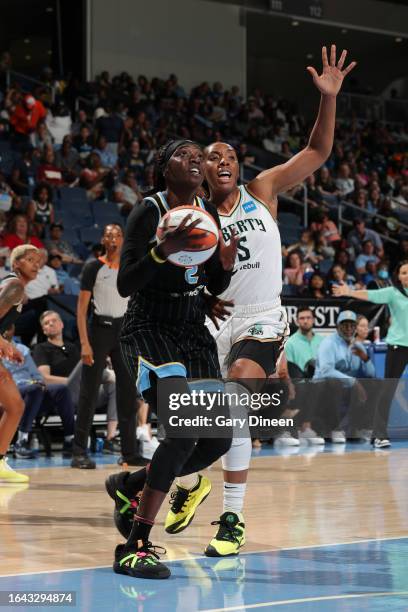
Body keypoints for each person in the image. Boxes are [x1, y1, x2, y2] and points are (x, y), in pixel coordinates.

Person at [165, 45, 356, 557]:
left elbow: (317, 152)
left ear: (238, 165)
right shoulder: (195, 216)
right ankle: (188, 483)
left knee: (235, 404)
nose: (222, 160)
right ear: (201, 169)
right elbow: (180, 275)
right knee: (196, 420)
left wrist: (328, 100)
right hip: (212, 322)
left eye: (229, 155)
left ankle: (232, 516)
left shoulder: (263, 188)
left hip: (262, 318)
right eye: (212, 156)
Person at [105, 139, 237, 579]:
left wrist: (226, 265)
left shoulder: (207, 210)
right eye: (185, 155)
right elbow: (126, 283)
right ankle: (134, 546)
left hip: (192, 334)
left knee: (216, 440)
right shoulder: (148, 209)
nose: (197, 160)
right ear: (164, 168)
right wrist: (164, 248)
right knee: (183, 434)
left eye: (200, 155)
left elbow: (210, 281)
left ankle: (129, 486)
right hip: (151, 331)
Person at [72, 223, 143, 468]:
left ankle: (129, 452)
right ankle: (79, 452)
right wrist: (84, 343)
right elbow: (81, 311)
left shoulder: (129, 268)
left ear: (123, 239)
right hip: (99, 331)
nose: (113, 239)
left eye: (117, 235)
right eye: (109, 235)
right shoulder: (93, 267)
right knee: (89, 392)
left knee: (127, 393)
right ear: (103, 239)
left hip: (123, 331)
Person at [333, 260, 408, 448]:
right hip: (398, 346)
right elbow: (371, 295)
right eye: (404, 272)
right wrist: (348, 291)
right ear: (398, 277)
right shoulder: (393, 293)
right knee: (388, 391)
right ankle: (379, 435)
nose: (407, 275)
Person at [33, 310, 119, 453]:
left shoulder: (73, 347)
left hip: (84, 392)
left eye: (54, 320)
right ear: (44, 330)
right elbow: (45, 378)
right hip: (63, 395)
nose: (51, 324)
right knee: (85, 362)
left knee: (113, 386)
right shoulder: (41, 348)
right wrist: (72, 380)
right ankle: (109, 373)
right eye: (46, 323)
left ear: (61, 325)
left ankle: (110, 439)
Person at [2, 324, 75, 459]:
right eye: (4, 327)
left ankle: (70, 439)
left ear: (13, 330)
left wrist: (38, 382)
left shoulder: (22, 349)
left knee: (60, 389)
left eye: (10, 327)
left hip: (31, 390)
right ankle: (21, 441)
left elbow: (36, 375)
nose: (7, 330)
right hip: (9, 392)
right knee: (34, 388)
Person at [0, 244, 40, 483]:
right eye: (29, 259)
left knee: (15, 405)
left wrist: (6, 343)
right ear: (16, 264)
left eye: (38, 260)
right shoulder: (14, 286)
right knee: (14, 405)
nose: (36, 263)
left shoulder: (15, 287)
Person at [313, 310, 375, 442]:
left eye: (352, 325)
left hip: (347, 387)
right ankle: (335, 429)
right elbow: (326, 371)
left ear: (355, 328)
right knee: (336, 383)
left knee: (374, 384)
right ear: (337, 327)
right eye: (344, 325)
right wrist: (353, 382)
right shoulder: (328, 343)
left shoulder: (357, 346)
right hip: (321, 387)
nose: (348, 329)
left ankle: (360, 428)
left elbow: (371, 374)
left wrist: (365, 358)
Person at [284, 307, 325, 445]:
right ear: (297, 321)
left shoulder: (322, 341)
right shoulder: (290, 343)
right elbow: (288, 369)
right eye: (302, 318)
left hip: (319, 380)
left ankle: (328, 429)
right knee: (307, 387)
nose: (305, 321)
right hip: (298, 382)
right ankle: (300, 428)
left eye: (308, 318)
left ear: (313, 320)